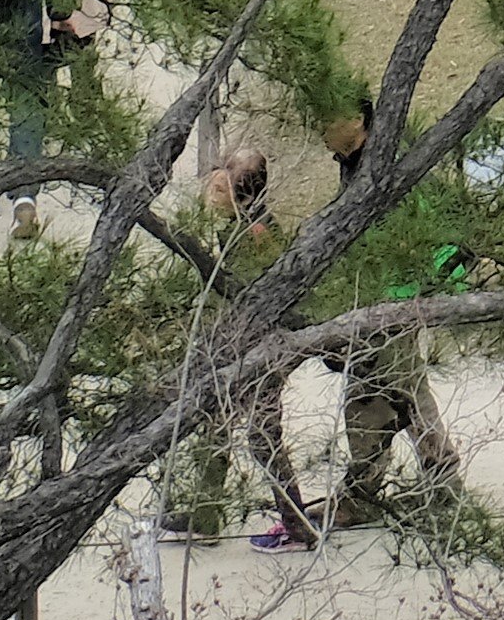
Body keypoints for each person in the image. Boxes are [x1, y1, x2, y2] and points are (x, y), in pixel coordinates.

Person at [313, 104, 470, 529]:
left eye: (331, 118)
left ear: (359, 123)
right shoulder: (353, 166)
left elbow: (436, 227)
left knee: (389, 397)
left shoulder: (388, 168)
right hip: (370, 302)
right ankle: (397, 489)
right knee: (386, 398)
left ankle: (417, 491)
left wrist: (437, 289)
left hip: (396, 303)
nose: (322, 128)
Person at [166, 136, 311, 546]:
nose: (213, 187)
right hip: (241, 344)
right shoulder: (239, 226)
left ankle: (297, 524)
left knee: (262, 434)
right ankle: (205, 515)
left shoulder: (256, 233)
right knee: (217, 422)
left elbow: (255, 295)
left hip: (261, 348)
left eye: (221, 183)